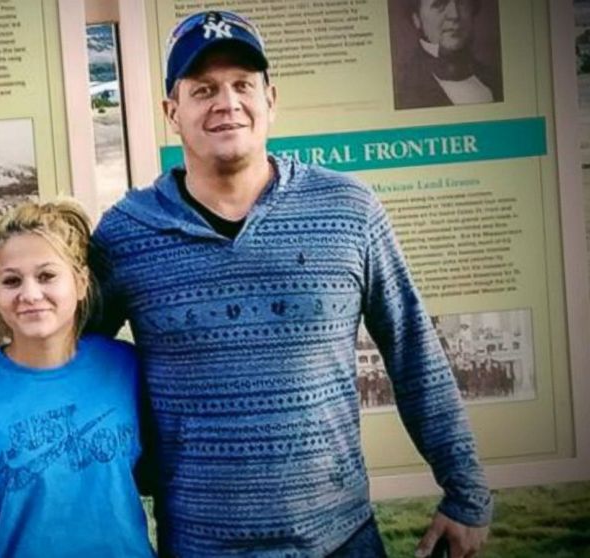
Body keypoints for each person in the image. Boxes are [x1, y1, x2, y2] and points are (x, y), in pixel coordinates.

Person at [90, 10, 492, 558]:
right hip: (201, 546)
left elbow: (412, 350)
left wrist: (465, 494)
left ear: (270, 100)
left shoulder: (348, 209)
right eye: (203, 88)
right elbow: (71, 365)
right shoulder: (126, 232)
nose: (226, 102)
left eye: (242, 85)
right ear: (172, 112)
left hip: (341, 538)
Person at [0, 200, 154, 557]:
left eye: (46, 276)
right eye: (12, 281)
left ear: (79, 283)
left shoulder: (126, 369)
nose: (29, 294)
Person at [393, 0, 503, 109]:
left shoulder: (496, 79)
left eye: (462, 2)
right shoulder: (403, 88)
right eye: (439, 4)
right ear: (416, 18)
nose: (454, 15)